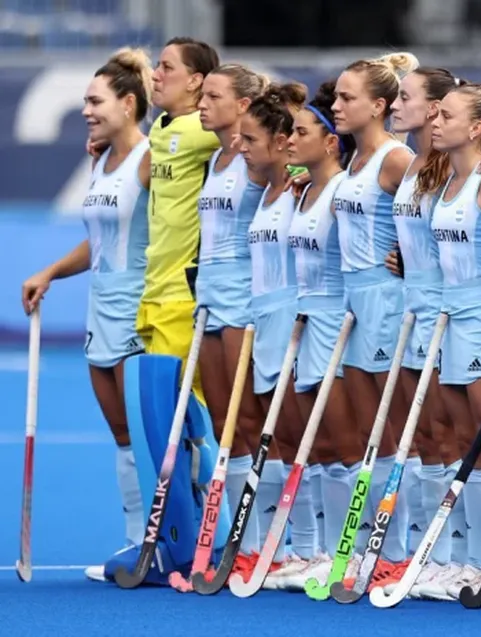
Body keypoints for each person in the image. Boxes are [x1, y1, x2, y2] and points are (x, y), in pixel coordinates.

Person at [21, 47, 153, 565]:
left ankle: (171, 539)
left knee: (152, 434)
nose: (86, 110)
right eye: (83, 101)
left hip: (139, 308)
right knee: (121, 434)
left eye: (95, 101)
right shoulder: (100, 161)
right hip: (100, 307)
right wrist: (50, 271)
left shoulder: (151, 161)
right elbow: (97, 241)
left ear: (127, 103)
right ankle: (136, 541)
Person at [413, 81, 481, 600]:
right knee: (457, 442)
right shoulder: (445, 183)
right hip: (449, 314)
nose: (434, 121)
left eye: (445, 115)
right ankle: (467, 558)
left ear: (477, 127)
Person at [331, 52, 420, 588]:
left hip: (388, 300)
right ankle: (372, 543)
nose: (337, 105)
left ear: (379, 106)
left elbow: (426, 213)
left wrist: (414, 259)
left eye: (347, 98)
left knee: (395, 431)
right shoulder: (352, 163)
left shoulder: (394, 159)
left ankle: (398, 548)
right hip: (352, 300)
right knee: (369, 432)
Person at [276, 81, 361, 591]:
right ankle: (324, 550)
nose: (290, 139)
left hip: (338, 322)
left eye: (301, 131)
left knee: (344, 443)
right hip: (306, 322)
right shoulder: (302, 190)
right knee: (319, 446)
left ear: (330, 142)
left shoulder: (343, 190)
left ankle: (353, 551)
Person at [385, 66, 464, 587]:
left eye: (405, 97)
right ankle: (431, 554)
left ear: (435, 108)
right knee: (425, 440)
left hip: (445, 312)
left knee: (447, 436)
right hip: (412, 307)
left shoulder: (449, 168)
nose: (395, 105)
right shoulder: (414, 163)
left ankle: (461, 554)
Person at [193, 62, 270, 575]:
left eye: (212, 95)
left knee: (252, 421)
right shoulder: (215, 158)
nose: (201, 103)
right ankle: (243, 542)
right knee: (223, 424)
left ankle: (273, 540)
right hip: (209, 297)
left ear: (242, 105)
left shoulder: (256, 160)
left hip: (244, 294)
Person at [237, 81, 313, 587]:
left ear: (279, 143)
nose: (240, 148)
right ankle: (279, 546)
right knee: (270, 437)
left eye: (249, 140)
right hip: (260, 319)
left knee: (296, 437)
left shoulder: (302, 186)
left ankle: (308, 547)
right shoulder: (262, 191)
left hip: (293, 320)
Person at [140, 37, 221, 404]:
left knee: (184, 413)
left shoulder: (205, 131)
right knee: (158, 414)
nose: (155, 75)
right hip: (154, 288)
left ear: (195, 81)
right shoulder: (159, 127)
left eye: (167, 67)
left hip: (183, 292)